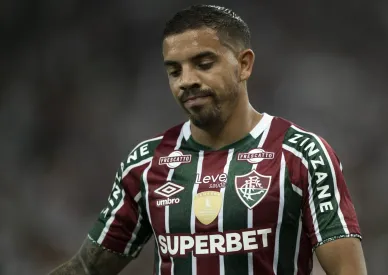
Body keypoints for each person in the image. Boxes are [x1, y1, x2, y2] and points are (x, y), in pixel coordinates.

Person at [49, 4, 367, 275]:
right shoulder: (146, 163)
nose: (187, 81)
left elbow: (346, 270)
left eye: (203, 64)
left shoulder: (301, 155)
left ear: (244, 65)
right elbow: (87, 268)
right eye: (174, 71)